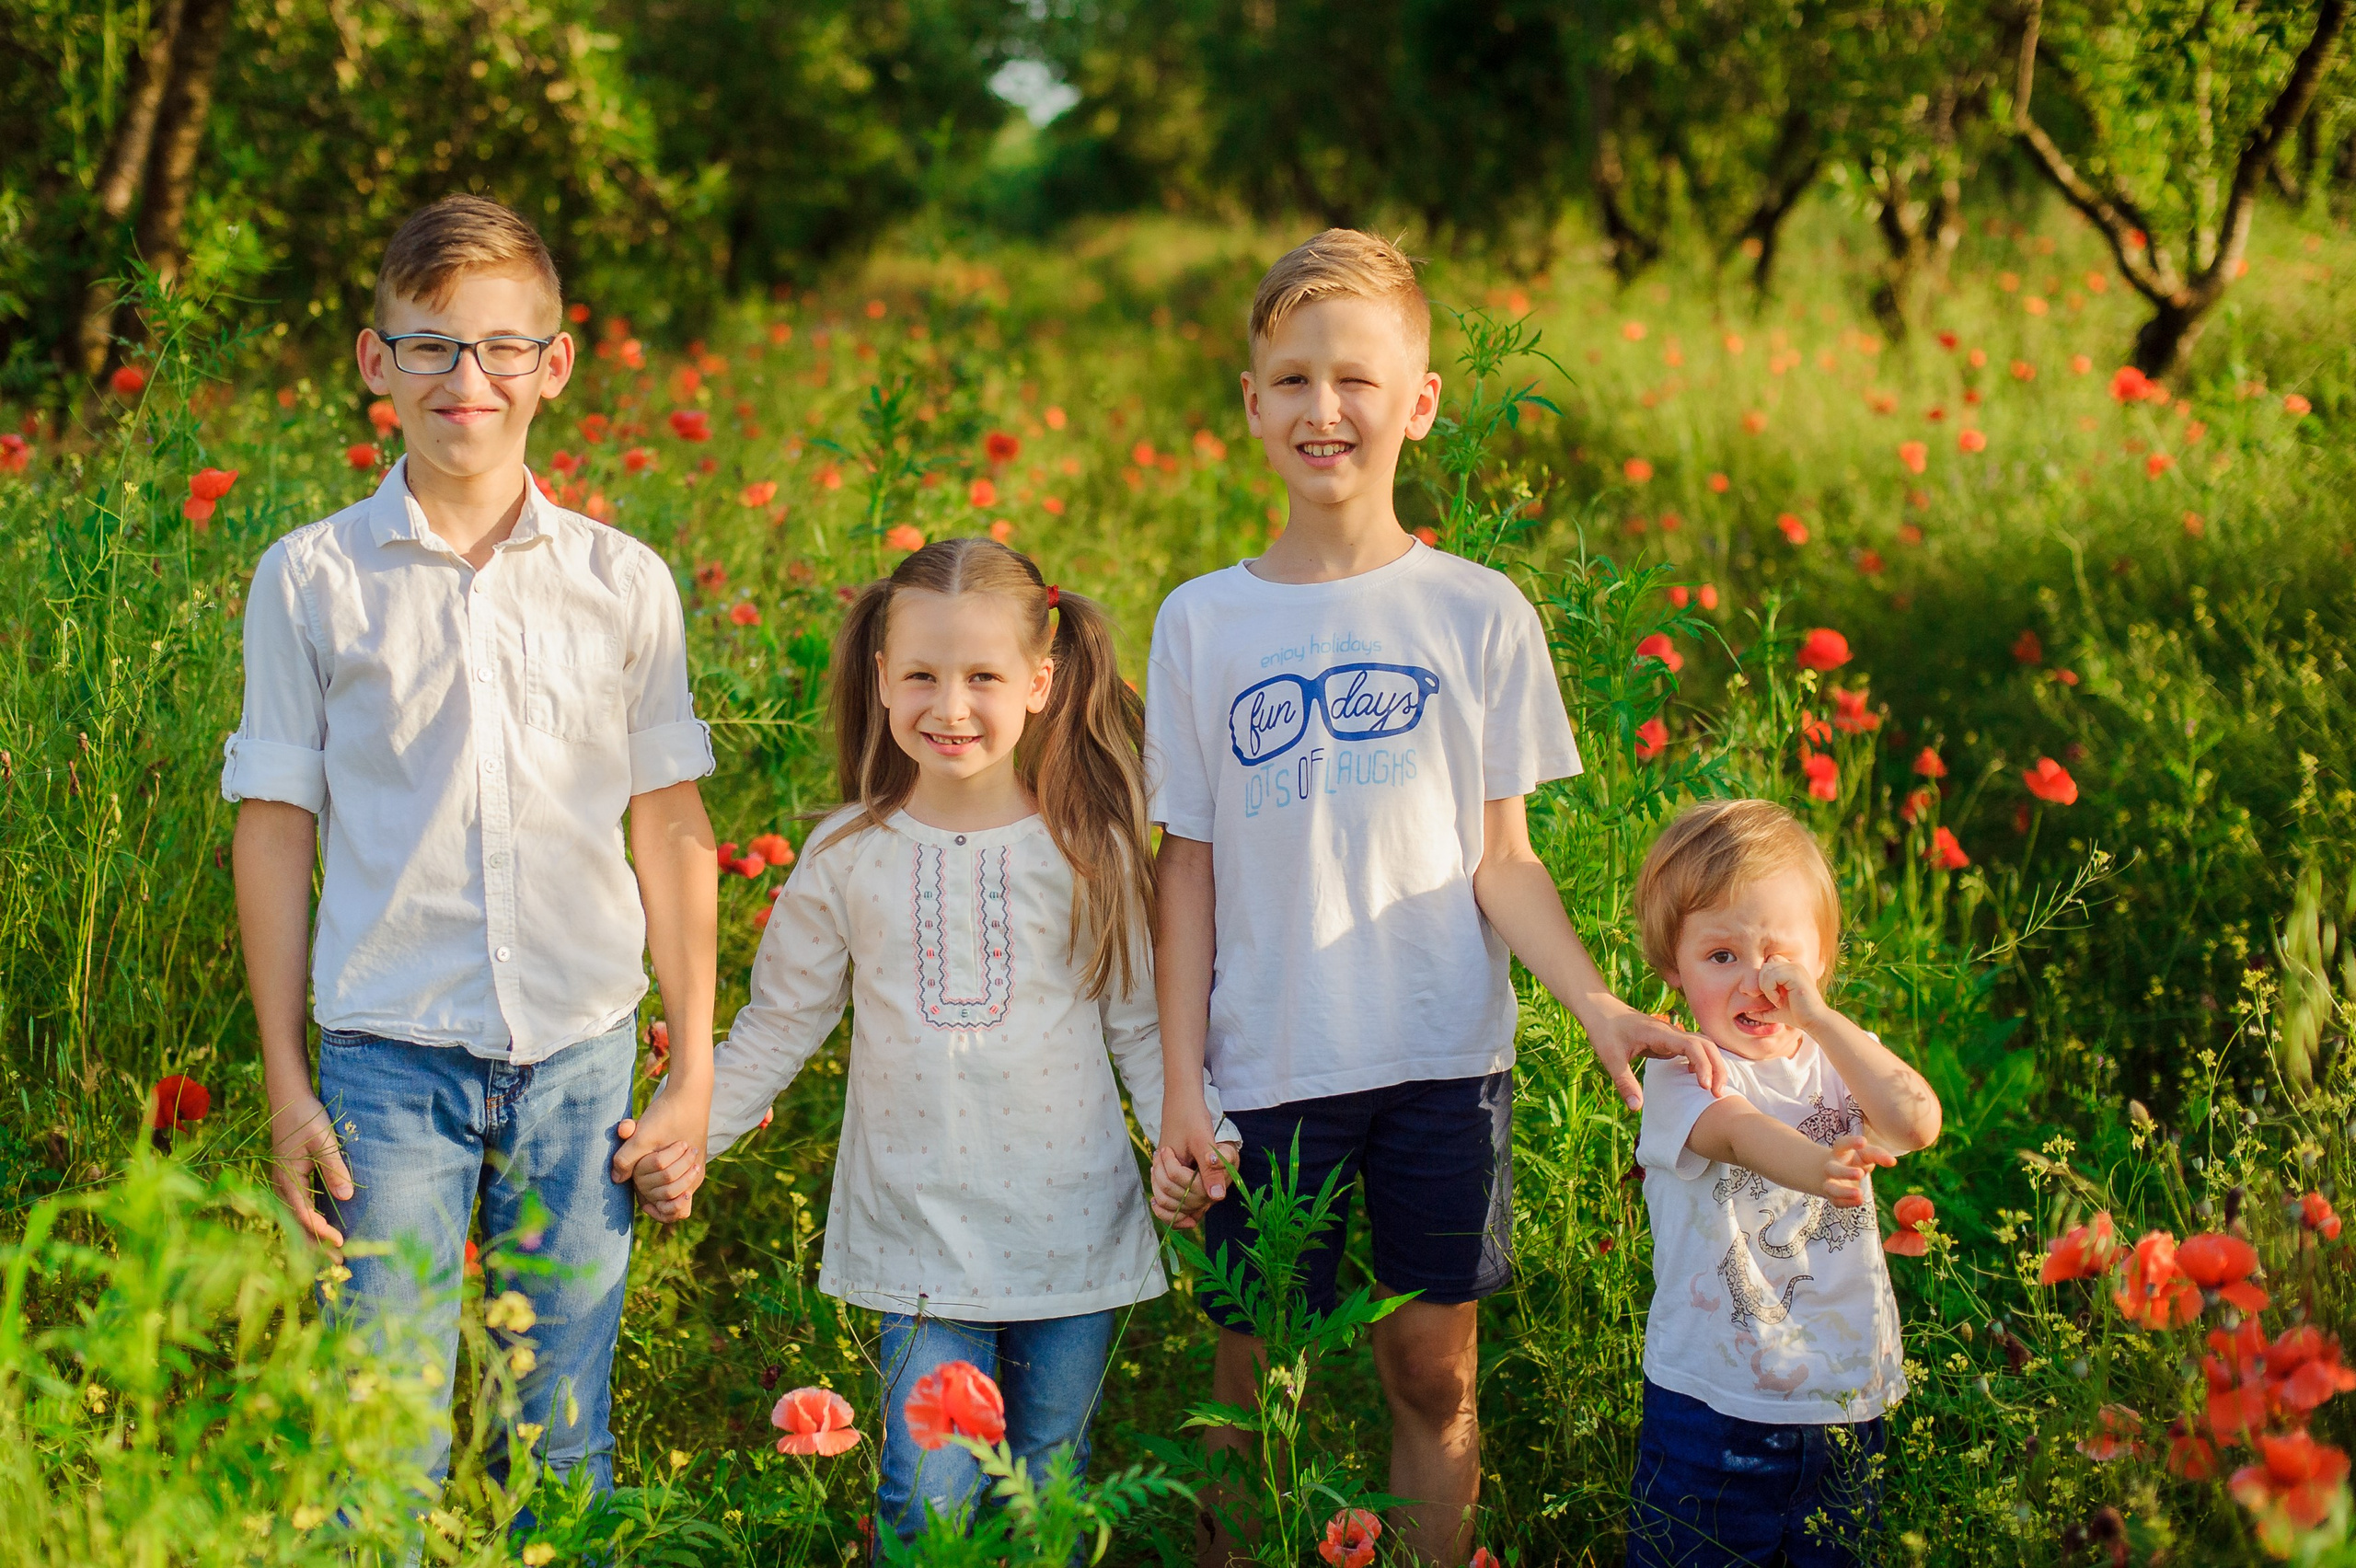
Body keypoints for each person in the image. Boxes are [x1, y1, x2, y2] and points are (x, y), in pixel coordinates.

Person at [1144, 228, 1727, 1566]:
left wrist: (1596, 1006)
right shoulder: (1203, 621)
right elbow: (1189, 866)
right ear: (1251, 404)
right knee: (1254, 1384)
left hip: (1441, 1066)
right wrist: (1181, 1082)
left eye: (1356, 378)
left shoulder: (1476, 612)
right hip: (1265, 1067)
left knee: (1434, 1376)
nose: (1324, 408)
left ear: (1419, 403)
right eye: (1293, 379)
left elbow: (1499, 860)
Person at [225, 194, 719, 1508]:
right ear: (375, 361)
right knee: (377, 1449)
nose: (468, 379)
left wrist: (693, 1072)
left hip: (581, 1060)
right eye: (432, 346)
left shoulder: (623, 582)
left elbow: (670, 826)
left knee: (557, 1446)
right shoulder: (311, 578)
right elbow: (274, 827)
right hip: (387, 1060)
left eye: (503, 348)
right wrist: (287, 1080)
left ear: (555, 365)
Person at [632, 537, 1236, 1546]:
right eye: (921, 675)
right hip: (915, 1242)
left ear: (1040, 683)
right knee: (925, 1504)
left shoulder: (1090, 851)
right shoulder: (847, 856)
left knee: (1047, 1500)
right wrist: (687, 1136)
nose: (949, 706)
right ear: (880, 679)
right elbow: (779, 1024)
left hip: (1070, 1237)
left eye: (982, 678)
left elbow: (1139, 1026)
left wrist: (1197, 1136)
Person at [1626, 799, 1943, 1566]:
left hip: (1844, 1401)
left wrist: (1824, 1020)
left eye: (1780, 958)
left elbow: (1916, 1122)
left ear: (1820, 960)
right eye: (1721, 957)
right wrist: (1820, 1168)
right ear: (1674, 968)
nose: (1757, 982)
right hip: (1712, 1410)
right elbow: (1739, 1132)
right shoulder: (1682, 1073)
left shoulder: (1842, 1058)